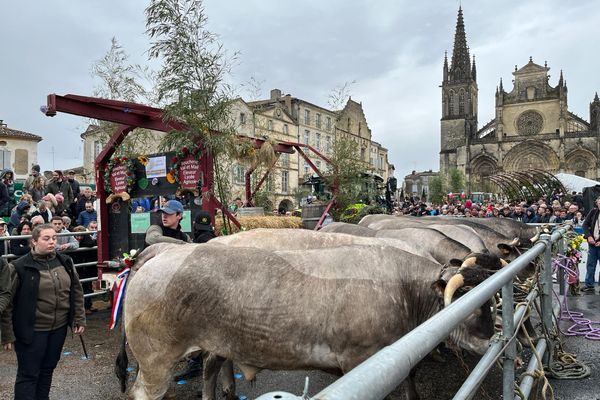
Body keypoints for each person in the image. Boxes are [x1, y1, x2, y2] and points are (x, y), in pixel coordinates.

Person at [0, 223, 86, 399]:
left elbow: (76, 291)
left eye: (54, 238)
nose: (52, 242)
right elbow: (8, 304)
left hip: (58, 328)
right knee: (28, 374)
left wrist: (79, 318)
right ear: (34, 241)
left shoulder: (65, 261)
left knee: (47, 370)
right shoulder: (18, 267)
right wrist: (7, 334)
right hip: (32, 331)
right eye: (46, 238)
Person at [582, 196, 600, 293]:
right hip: (593, 243)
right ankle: (589, 285)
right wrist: (589, 236)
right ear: (597, 203)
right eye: (599, 202)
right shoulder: (593, 212)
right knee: (590, 264)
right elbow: (585, 224)